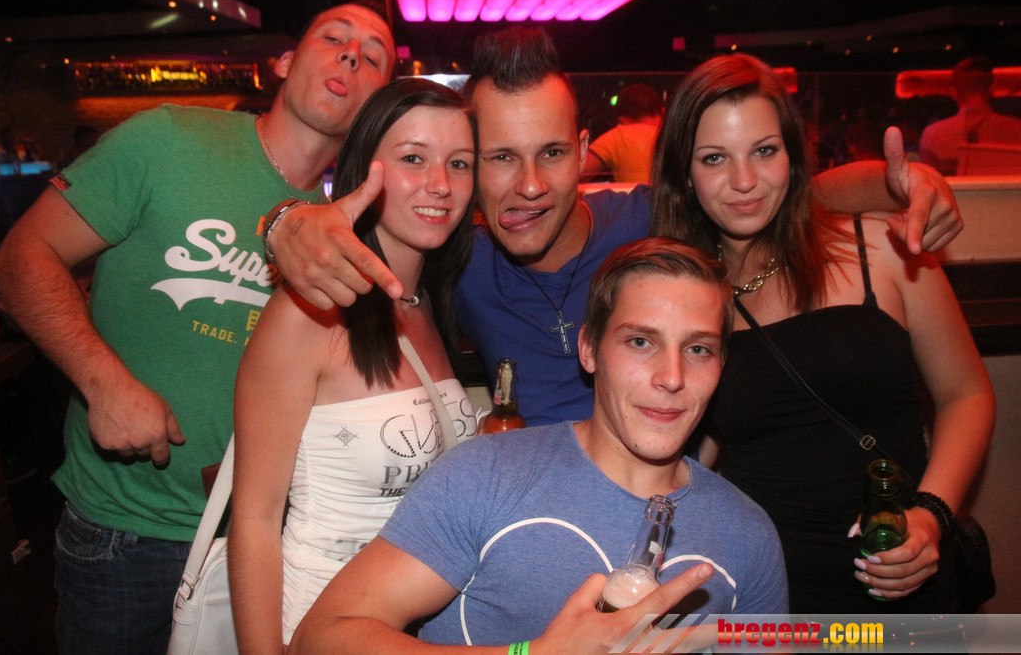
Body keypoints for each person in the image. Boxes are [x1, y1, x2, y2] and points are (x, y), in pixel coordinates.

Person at [266, 27, 963, 428]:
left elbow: (780, 195)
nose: (530, 185)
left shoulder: (654, 222)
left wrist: (904, 181)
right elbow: (361, 229)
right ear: (469, 165)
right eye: (500, 158)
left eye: (551, 154)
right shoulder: (457, 258)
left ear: (584, 151)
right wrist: (285, 223)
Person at [0, 1, 395, 653]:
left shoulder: (343, 229)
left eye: (373, 56)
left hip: (262, 542)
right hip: (128, 531)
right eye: (334, 38)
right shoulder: (170, 139)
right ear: (284, 63)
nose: (352, 54)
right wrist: (104, 383)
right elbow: (21, 257)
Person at [288, 238, 787, 654]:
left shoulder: (748, 535)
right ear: (589, 349)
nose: (672, 377)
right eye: (640, 342)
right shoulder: (487, 475)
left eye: (698, 349)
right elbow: (322, 637)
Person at [651, 53, 995, 613]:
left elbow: (967, 394)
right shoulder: (686, 295)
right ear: (685, 175)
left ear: (792, 155)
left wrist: (932, 516)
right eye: (714, 158)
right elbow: (700, 442)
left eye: (765, 151)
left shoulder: (881, 249)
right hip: (768, 591)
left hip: (904, 576)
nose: (744, 181)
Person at [228, 77, 480, 652]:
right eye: (413, 158)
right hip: (313, 625)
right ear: (365, 168)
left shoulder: (428, 302)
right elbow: (256, 520)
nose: (441, 184)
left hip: (411, 628)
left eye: (460, 164)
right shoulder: (308, 312)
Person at [919, 56, 1021, 175]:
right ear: (991, 89)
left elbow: (928, 181)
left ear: (954, 91)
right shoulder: (1017, 129)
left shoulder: (933, 134)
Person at [582, 82, 663, 184]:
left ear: (622, 119)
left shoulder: (619, 135)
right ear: (660, 111)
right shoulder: (670, 134)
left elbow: (577, 172)